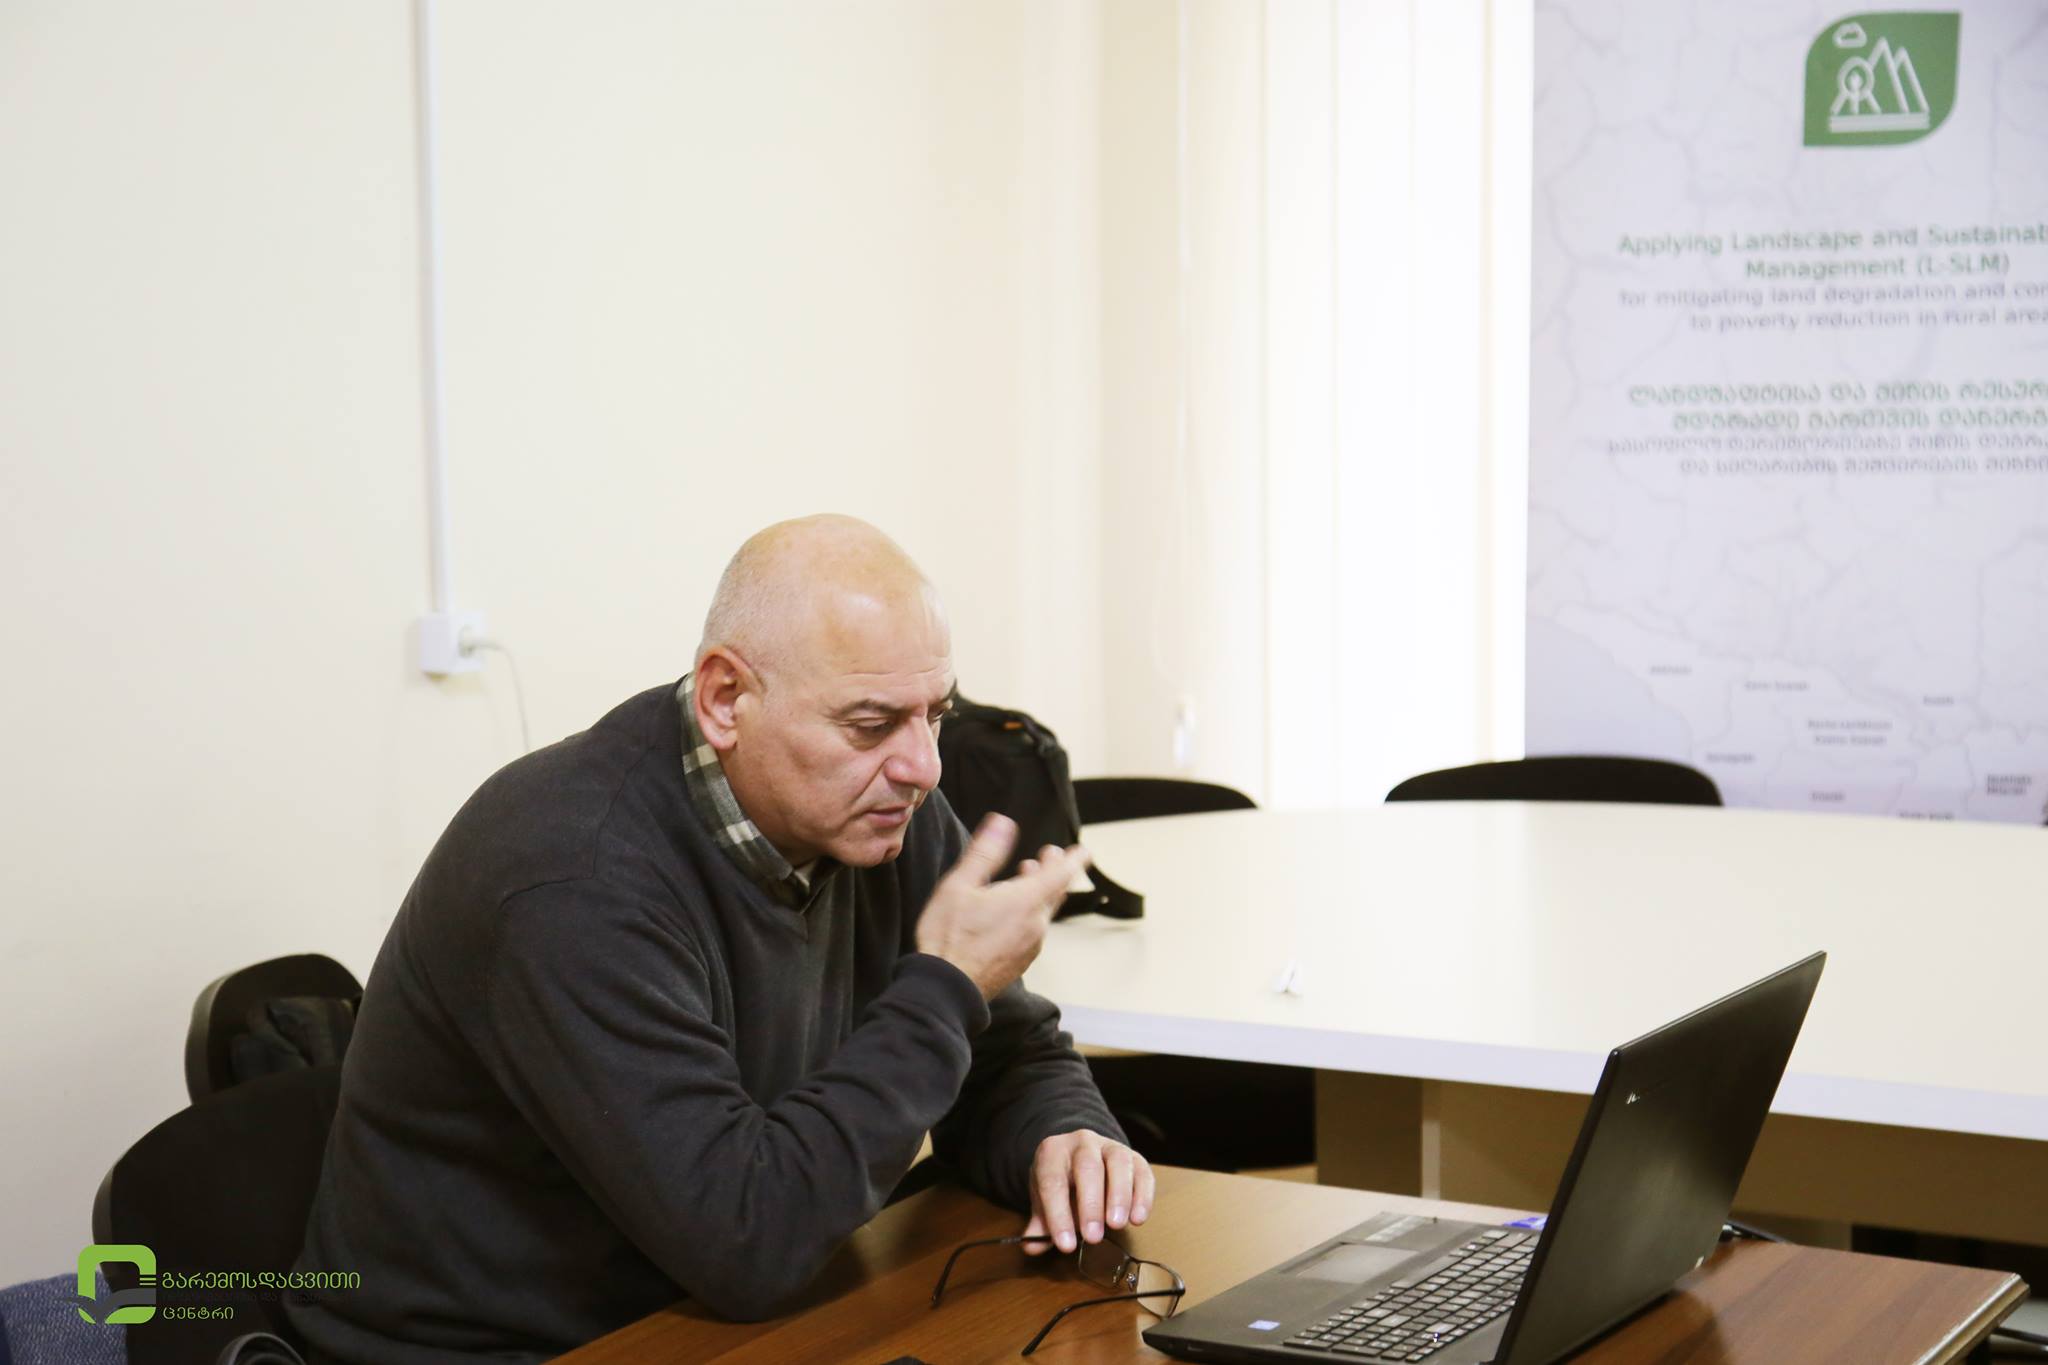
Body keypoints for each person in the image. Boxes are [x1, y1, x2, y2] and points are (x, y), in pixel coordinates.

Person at [287, 515, 1152, 1364]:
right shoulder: (573, 878)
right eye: (871, 722)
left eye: (937, 712)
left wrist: (1064, 1135)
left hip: (712, 1308)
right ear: (725, 698)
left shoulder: (878, 809)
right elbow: (747, 1239)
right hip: (507, 1347)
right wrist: (948, 985)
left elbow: (1005, 1057)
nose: (923, 764)